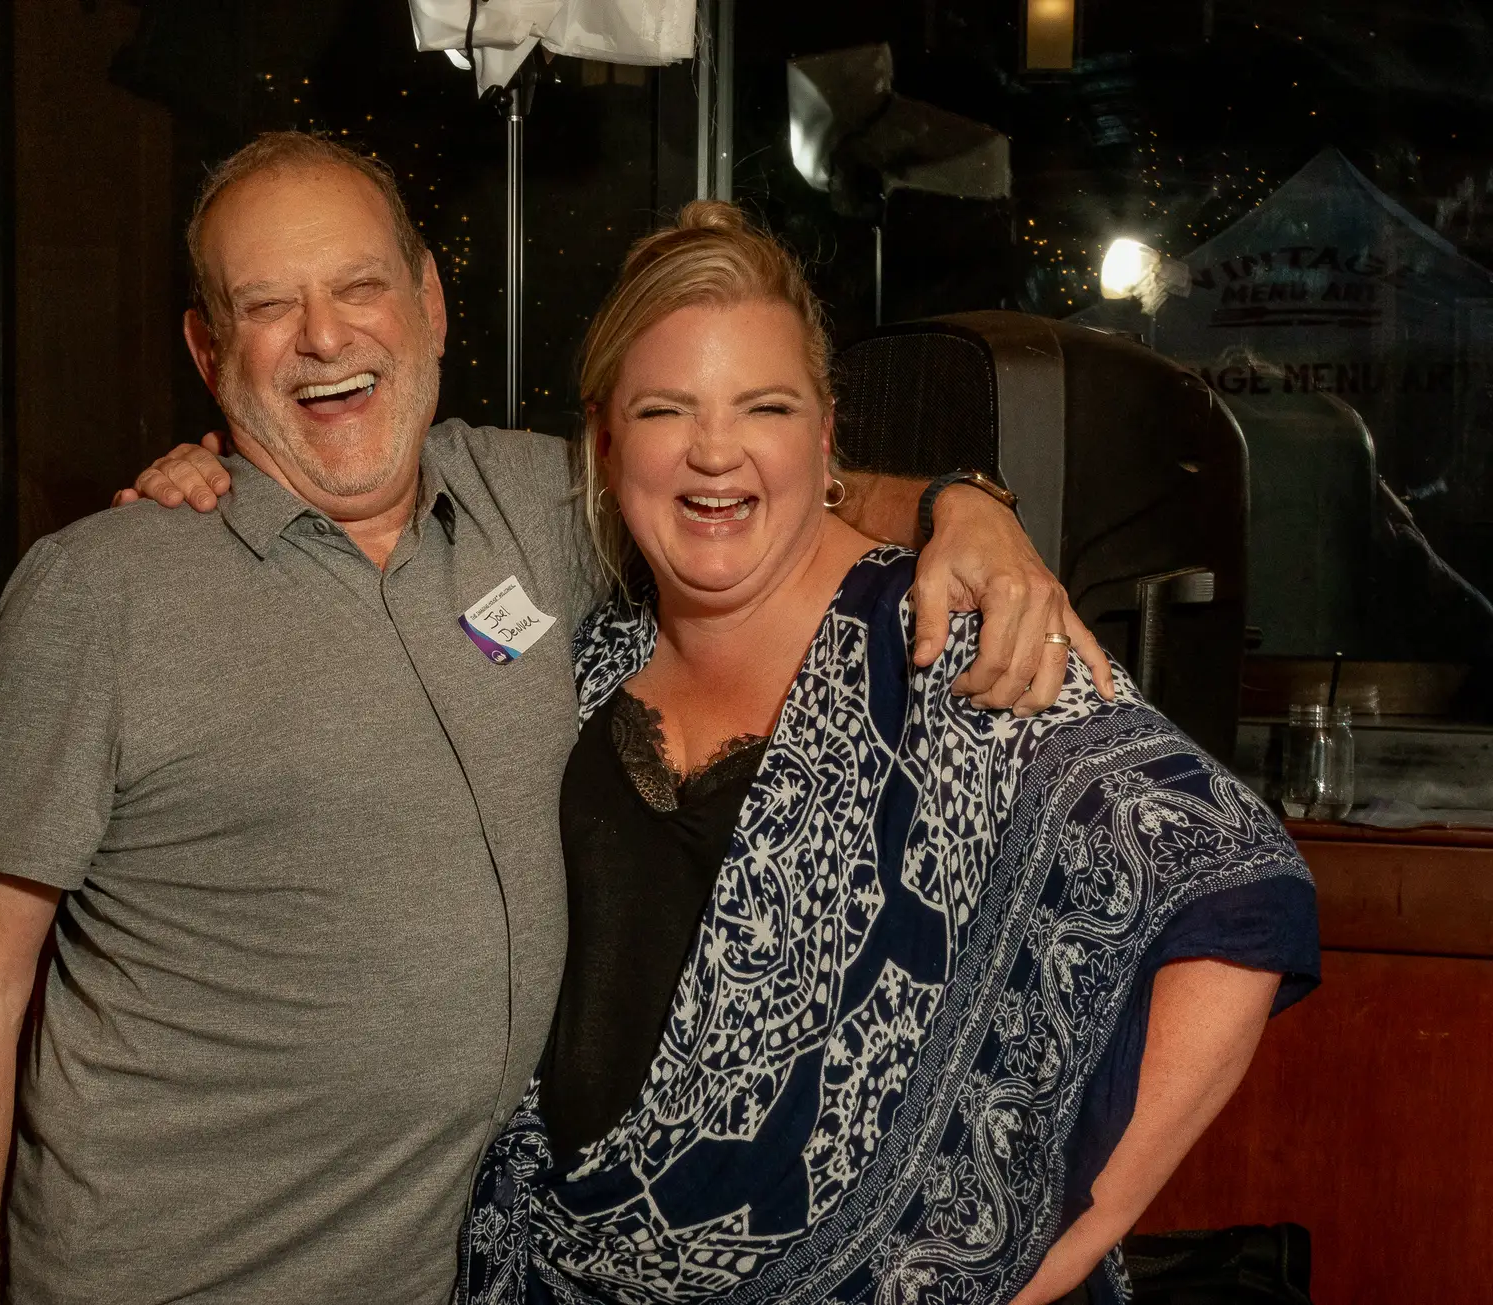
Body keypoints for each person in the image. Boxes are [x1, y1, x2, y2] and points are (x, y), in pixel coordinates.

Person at [0, 131, 1105, 1305]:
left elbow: (754, 484)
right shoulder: (104, 591)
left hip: (461, 1274)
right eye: (267, 306)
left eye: (359, 286)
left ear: (428, 303)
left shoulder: (531, 502)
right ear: (210, 351)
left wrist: (965, 509)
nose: (325, 337)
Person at [453, 205, 1320, 1305]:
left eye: (764, 407)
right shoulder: (582, 659)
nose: (715, 451)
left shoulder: (944, 636)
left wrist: (1051, 1251)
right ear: (606, 436)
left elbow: (1229, 882)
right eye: (666, 409)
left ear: (824, 437)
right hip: (557, 1269)